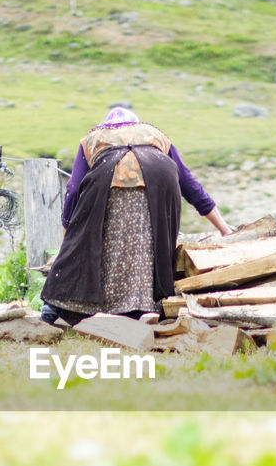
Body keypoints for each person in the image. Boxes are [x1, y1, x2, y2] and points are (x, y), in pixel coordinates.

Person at [41, 107, 232, 325]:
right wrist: (224, 228)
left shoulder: (93, 139)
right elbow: (189, 185)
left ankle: (57, 306)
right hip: (159, 179)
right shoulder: (154, 135)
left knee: (98, 243)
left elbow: (73, 190)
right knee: (144, 244)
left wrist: (69, 234)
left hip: (107, 181)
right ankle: (140, 308)